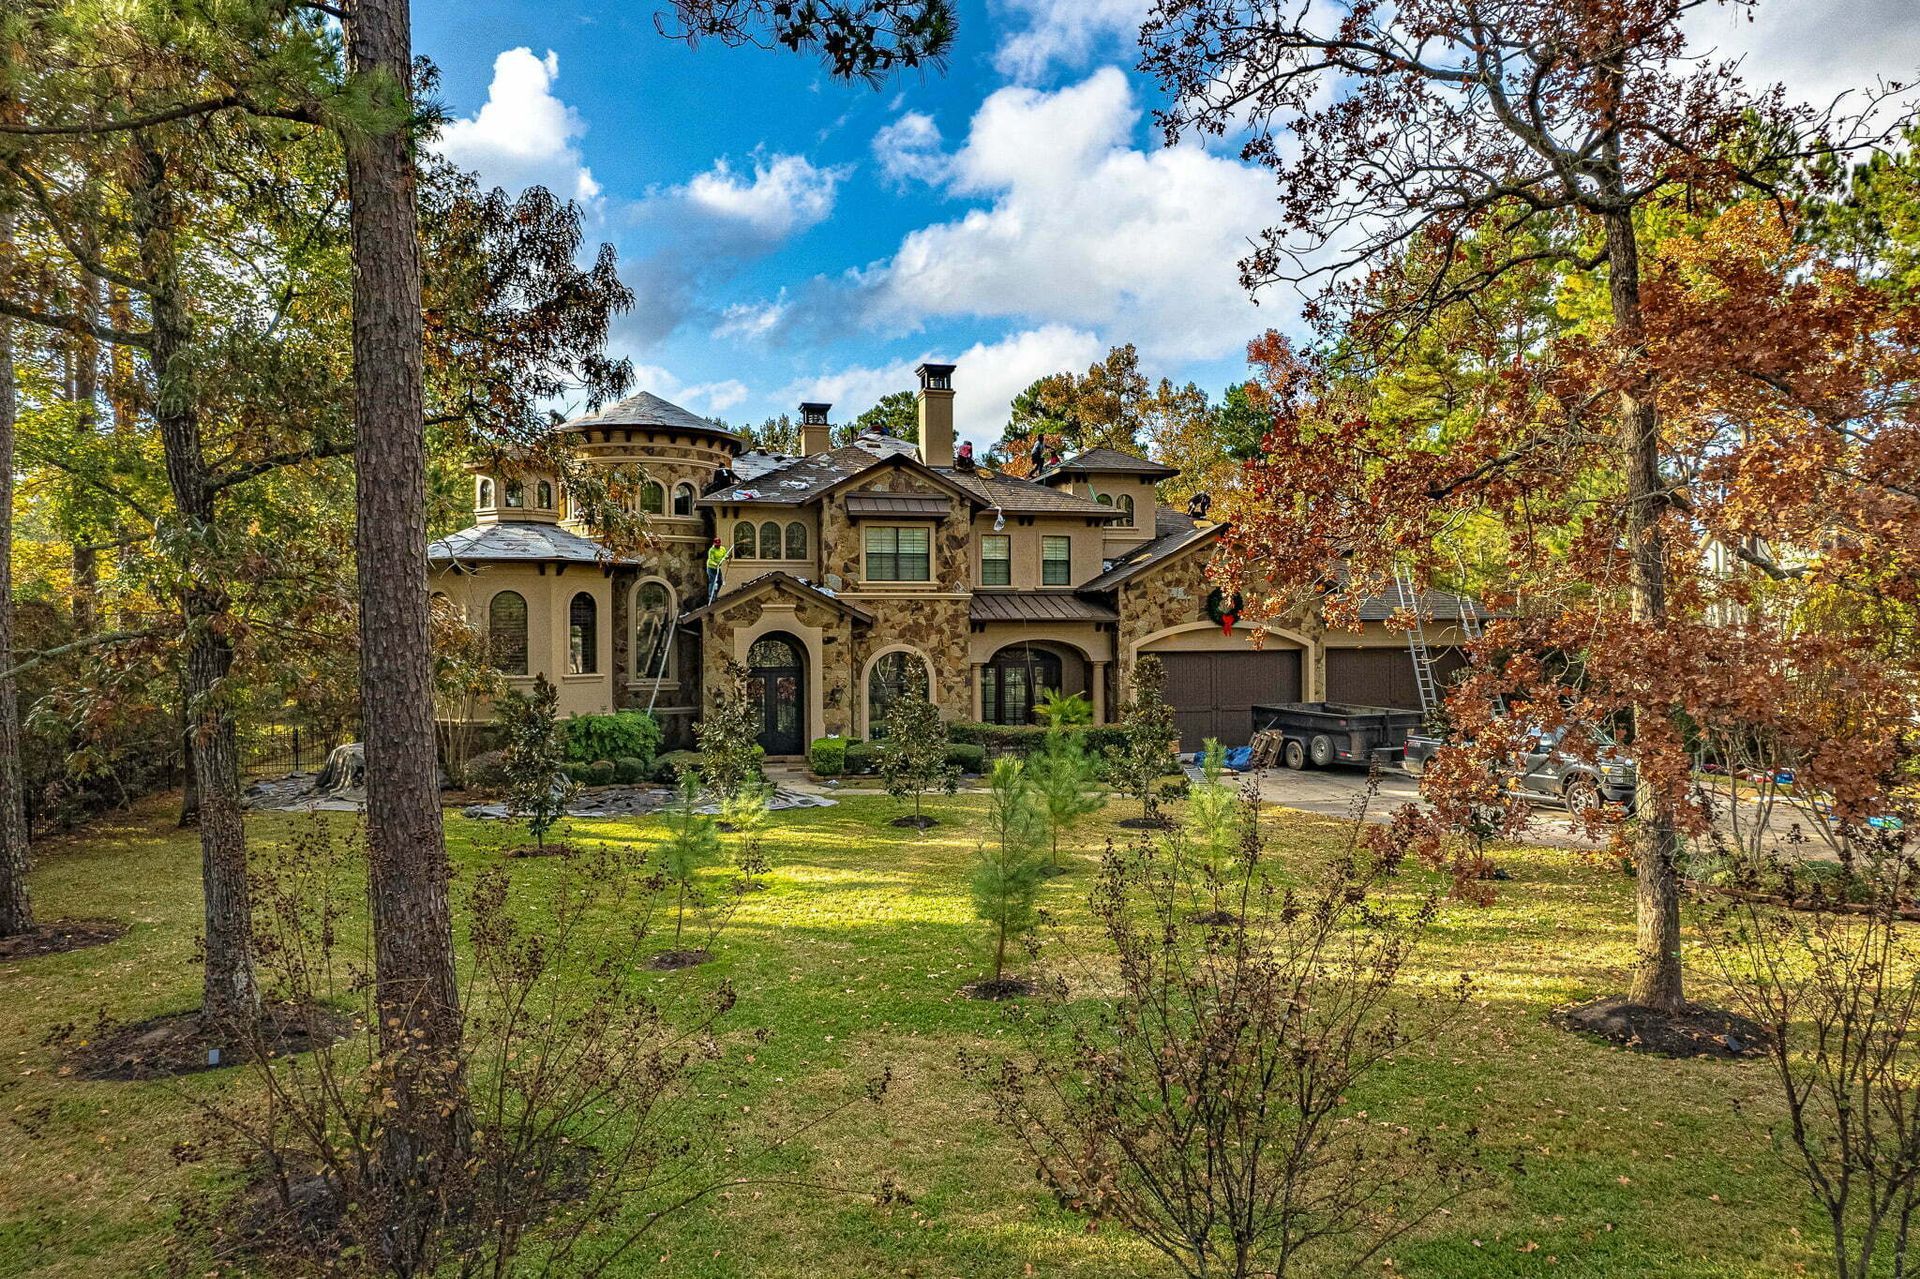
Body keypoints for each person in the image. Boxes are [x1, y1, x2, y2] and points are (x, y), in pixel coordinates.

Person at [706, 538, 728, 603]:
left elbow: (725, 555)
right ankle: (711, 596)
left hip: (718, 568)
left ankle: (715, 594)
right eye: (716, 544)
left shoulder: (722, 549)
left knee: (720, 582)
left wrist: (728, 557)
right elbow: (711, 560)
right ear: (714, 543)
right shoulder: (712, 550)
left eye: (719, 544)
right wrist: (716, 564)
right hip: (711, 568)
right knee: (713, 581)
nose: (717, 545)